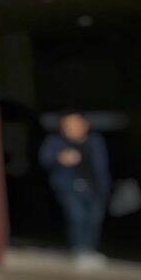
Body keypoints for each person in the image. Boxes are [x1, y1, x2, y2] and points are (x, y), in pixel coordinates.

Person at [40, 110, 112, 269]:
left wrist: (106, 186)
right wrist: (60, 158)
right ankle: (80, 250)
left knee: (94, 219)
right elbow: (44, 159)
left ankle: (90, 250)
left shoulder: (95, 141)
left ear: (84, 125)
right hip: (69, 186)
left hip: (95, 187)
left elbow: (102, 165)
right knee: (78, 216)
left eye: (74, 124)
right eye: (66, 126)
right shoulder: (55, 141)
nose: (70, 128)